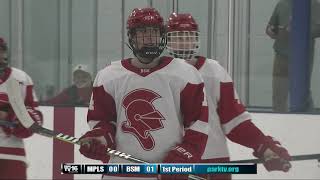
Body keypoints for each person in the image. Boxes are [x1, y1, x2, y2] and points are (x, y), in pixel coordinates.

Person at [78, 8, 209, 180]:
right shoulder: (109, 76)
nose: (149, 38)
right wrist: (98, 141)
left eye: (154, 32)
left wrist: (183, 156)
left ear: (162, 36)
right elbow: (102, 122)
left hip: (166, 175)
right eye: (142, 32)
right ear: (132, 37)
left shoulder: (185, 74)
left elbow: (199, 123)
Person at [166, 13, 292, 180]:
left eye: (188, 36)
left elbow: (235, 121)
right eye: (178, 37)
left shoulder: (214, 71)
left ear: (196, 40)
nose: (184, 42)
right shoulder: (159, 74)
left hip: (214, 163)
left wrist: (263, 146)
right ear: (167, 41)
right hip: (171, 164)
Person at [0, 37, 43, 179]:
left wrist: (22, 119)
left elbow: (35, 117)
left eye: (2, 50)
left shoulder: (20, 78)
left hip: (12, 153)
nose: (2, 55)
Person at [266, 0, 320, 112]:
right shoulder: (281, 4)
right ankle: (278, 119)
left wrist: (298, 30)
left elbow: (318, 29)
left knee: (300, 91)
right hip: (281, 53)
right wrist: (270, 30)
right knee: (278, 91)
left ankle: (306, 119)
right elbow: (270, 26)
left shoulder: (314, 5)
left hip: (302, 55)